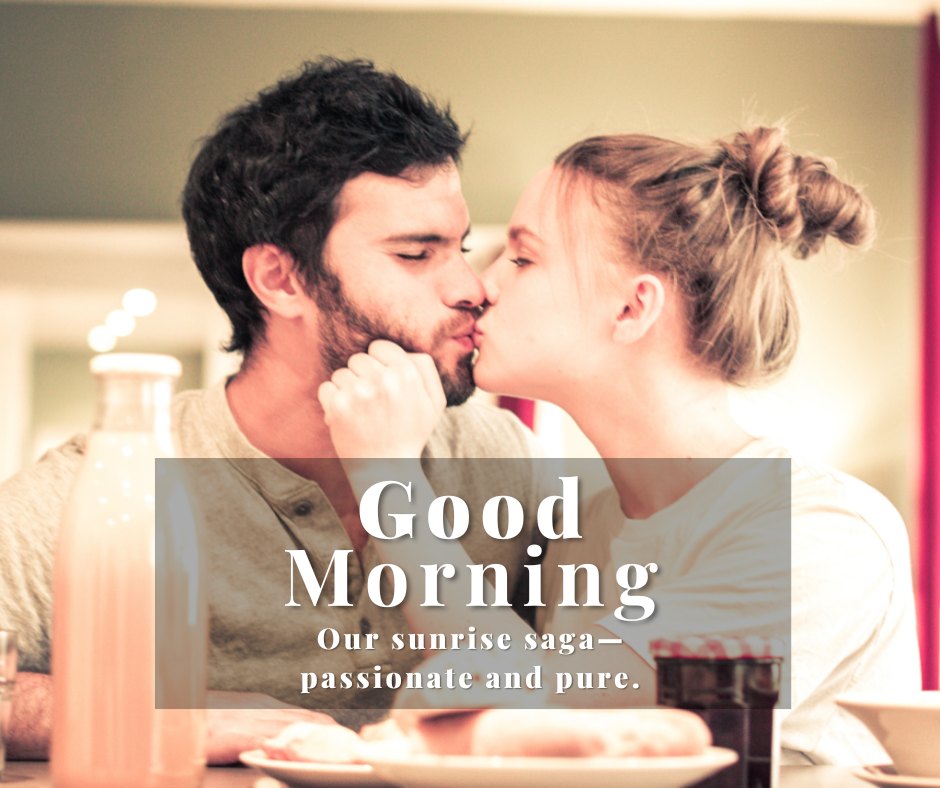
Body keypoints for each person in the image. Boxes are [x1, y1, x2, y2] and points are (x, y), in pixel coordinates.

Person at [0, 57, 550, 763]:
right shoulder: (113, 481)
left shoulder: (502, 460)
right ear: (280, 279)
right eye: (417, 254)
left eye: (461, 249)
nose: (472, 287)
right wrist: (179, 722)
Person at [319, 126, 921, 765]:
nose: (480, 285)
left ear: (633, 309)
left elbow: (550, 728)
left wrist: (387, 478)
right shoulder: (583, 527)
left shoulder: (816, 534)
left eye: (523, 259)